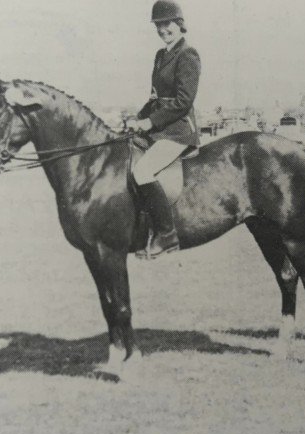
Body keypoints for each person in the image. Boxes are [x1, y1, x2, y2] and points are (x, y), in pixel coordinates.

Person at [127, 0, 201, 259]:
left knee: (143, 171)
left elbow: (183, 102)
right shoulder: (161, 56)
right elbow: (154, 98)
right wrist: (137, 119)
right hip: (159, 128)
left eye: (167, 24)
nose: (162, 29)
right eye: (158, 25)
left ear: (179, 24)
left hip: (179, 130)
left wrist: (150, 122)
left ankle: (167, 235)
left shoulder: (188, 54)